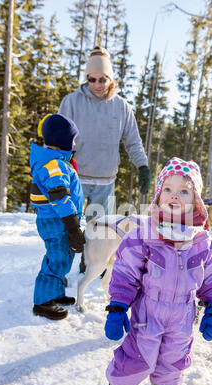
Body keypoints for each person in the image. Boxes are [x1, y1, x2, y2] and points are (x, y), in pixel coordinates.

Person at [104, 158, 212, 385]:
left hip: (183, 315)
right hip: (149, 312)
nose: (174, 196)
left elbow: (210, 277)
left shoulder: (202, 242)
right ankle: (120, 383)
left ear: (196, 199)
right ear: (159, 194)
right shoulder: (145, 233)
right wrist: (117, 306)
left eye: (184, 191)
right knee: (139, 354)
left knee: (174, 356)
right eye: (168, 189)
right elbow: (125, 271)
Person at [58, 45, 151, 272]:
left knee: (99, 231)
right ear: (87, 78)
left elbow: (133, 141)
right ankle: (60, 269)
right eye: (92, 80)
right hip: (75, 178)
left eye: (103, 79)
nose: (97, 85)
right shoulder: (71, 102)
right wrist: (54, 170)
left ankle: (91, 266)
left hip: (105, 181)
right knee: (68, 227)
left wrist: (142, 165)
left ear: (111, 79)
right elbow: (57, 138)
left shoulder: (121, 107)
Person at [30, 113, 86, 320]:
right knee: (57, 258)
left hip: (59, 220)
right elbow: (60, 196)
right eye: (72, 139)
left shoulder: (58, 162)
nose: (74, 143)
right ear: (62, 140)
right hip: (56, 221)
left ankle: (54, 294)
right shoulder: (54, 165)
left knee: (63, 256)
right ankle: (43, 303)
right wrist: (72, 227)